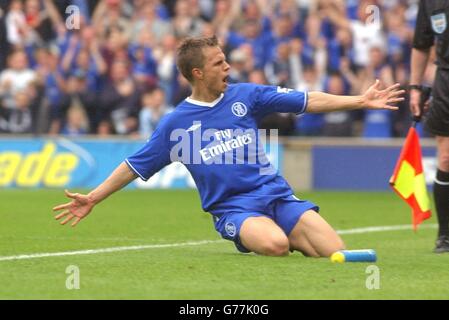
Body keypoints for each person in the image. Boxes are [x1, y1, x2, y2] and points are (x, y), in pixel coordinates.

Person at [53, 35, 404, 257]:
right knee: (275, 245)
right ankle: (264, 235)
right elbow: (134, 165)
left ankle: (293, 226)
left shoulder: (247, 95)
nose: (228, 66)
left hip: (276, 195)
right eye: (219, 63)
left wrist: (359, 100)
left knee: (336, 251)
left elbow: (307, 100)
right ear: (198, 74)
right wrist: (93, 197)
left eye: (225, 59)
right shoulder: (175, 124)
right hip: (234, 208)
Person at [410, 0, 449, 253]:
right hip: (446, 80)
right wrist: (415, 88)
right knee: (446, 158)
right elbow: (421, 45)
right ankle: (445, 235)